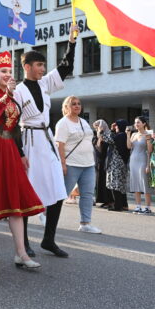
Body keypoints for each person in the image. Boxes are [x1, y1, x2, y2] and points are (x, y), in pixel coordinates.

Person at [13, 23, 79, 258]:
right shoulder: (17, 91)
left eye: (43, 65)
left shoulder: (43, 84)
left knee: (58, 190)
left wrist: (72, 42)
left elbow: (65, 67)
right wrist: (20, 153)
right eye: (39, 65)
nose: (43, 68)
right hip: (29, 140)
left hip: (46, 139)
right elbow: (12, 125)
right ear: (27, 66)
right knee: (27, 192)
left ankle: (48, 239)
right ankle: (24, 243)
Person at [0, 51, 44, 269]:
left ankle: (21, 253)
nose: (7, 74)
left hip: (9, 149)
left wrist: (21, 153)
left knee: (15, 200)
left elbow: (15, 128)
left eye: (9, 71)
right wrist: (6, 96)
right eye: (3, 71)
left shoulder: (14, 97)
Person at [55, 96, 101, 233]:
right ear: (67, 107)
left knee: (87, 194)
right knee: (62, 193)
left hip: (88, 164)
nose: (77, 106)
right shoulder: (63, 123)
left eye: (79, 104)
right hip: (71, 163)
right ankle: (46, 214)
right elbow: (59, 145)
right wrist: (62, 164)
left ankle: (85, 223)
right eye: (73, 104)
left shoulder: (83, 122)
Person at [127, 116, 153, 214]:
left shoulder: (148, 133)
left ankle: (148, 207)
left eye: (138, 122)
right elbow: (129, 146)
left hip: (143, 159)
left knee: (144, 183)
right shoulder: (133, 134)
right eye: (135, 122)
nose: (136, 124)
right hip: (133, 159)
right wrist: (128, 135)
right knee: (135, 183)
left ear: (144, 123)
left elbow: (150, 151)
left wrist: (148, 165)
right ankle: (138, 206)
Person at [103, 119, 130, 211]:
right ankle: (123, 205)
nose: (115, 127)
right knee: (120, 185)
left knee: (115, 184)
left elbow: (108, 139)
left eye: (117, 126)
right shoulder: (123, 135)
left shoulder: (121, 135)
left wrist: (103, 131)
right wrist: (112, 130)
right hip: (121, 163)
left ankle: (118, 205)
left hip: (116, 162)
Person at [93, 120, 111, 209]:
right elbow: (96, 146)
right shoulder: (96, 136)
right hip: (98, 161)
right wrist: (98, 134)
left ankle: (108, 201)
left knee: (105, 181)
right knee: (99, 181)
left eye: (98, 126)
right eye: (96, 127)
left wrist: (100, 134)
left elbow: (101, 147)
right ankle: (102, 200)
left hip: (105, 160)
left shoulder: (108, 135)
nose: (97, 128)